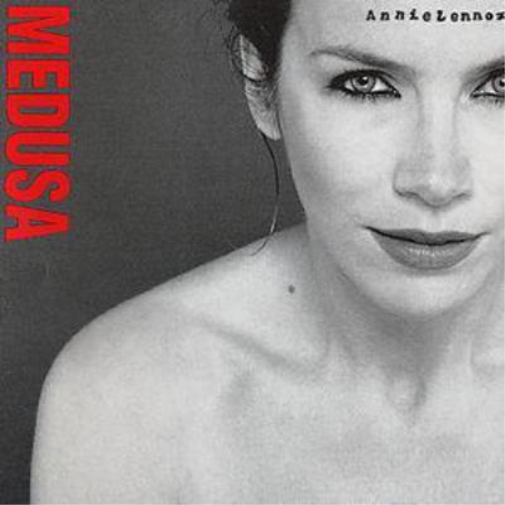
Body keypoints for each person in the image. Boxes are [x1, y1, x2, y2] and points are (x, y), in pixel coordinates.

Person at [31, 0, 505, 503]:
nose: (436, 180)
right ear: (261, 83)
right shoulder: (128, 396)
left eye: (500, 86)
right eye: (364, 84)